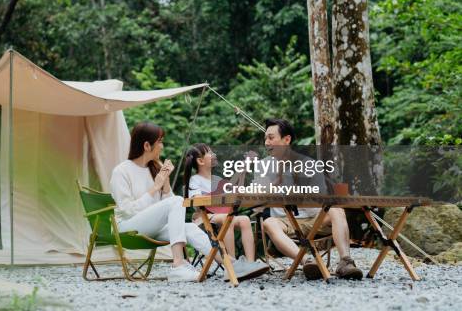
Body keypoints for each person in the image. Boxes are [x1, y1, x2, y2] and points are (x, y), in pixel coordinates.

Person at [110, 122, 235, 282]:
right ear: (147, 145)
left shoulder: (154, 168)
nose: (162, 146)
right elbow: (128, 210)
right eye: (160, 141)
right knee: (177, 201)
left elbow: (172, 209)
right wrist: (155, 187)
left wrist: (166, 183)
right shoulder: (121, 171)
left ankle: (230, 265)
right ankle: (178, 265)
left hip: (151, 227)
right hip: (126, 228)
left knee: (189, 227)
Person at [259, 118, 363, 280]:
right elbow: (258, 200)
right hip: (285, 221)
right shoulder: (263, 165)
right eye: (265, 138)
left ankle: (345, 262)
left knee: (336, 210)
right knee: (268, 222)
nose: (266, 142)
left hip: (315, 219)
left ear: (287, 140)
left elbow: (321, 199)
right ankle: (307, 261)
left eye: (271, 137)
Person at [184, 143, 270, 281]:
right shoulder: (195, 180)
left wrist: (243, 170)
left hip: (221, 216)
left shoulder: (217, 180)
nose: (214, 154)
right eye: (210, 153)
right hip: (203, 218)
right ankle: (232, 265)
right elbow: (196, 201)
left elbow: (235, 191)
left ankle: (249, 265)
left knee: (244, 220)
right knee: (226, 218)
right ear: (200, 161)